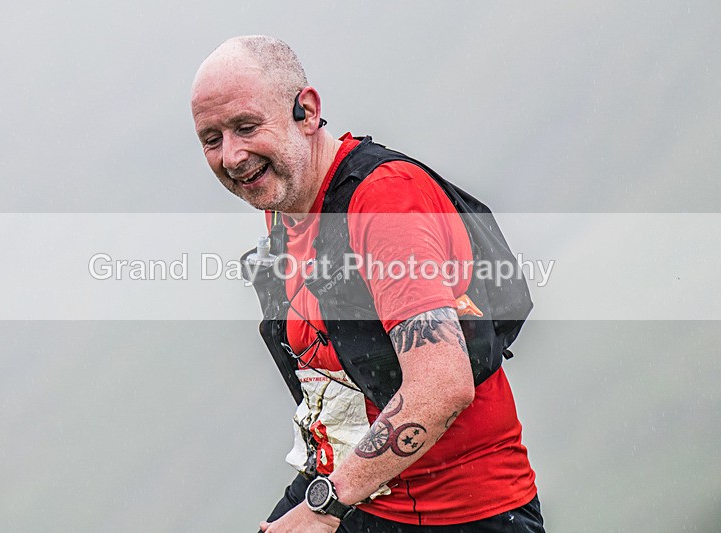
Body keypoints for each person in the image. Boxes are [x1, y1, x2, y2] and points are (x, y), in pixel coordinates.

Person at [191, 35, 544, 533]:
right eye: (212, 138)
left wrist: (323, 508)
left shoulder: (384, 202)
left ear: (306, 112)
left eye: (247, 127)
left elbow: (441, 385)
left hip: (458, 516)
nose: (232, 155)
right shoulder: (285, 205)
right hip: (358, 495)